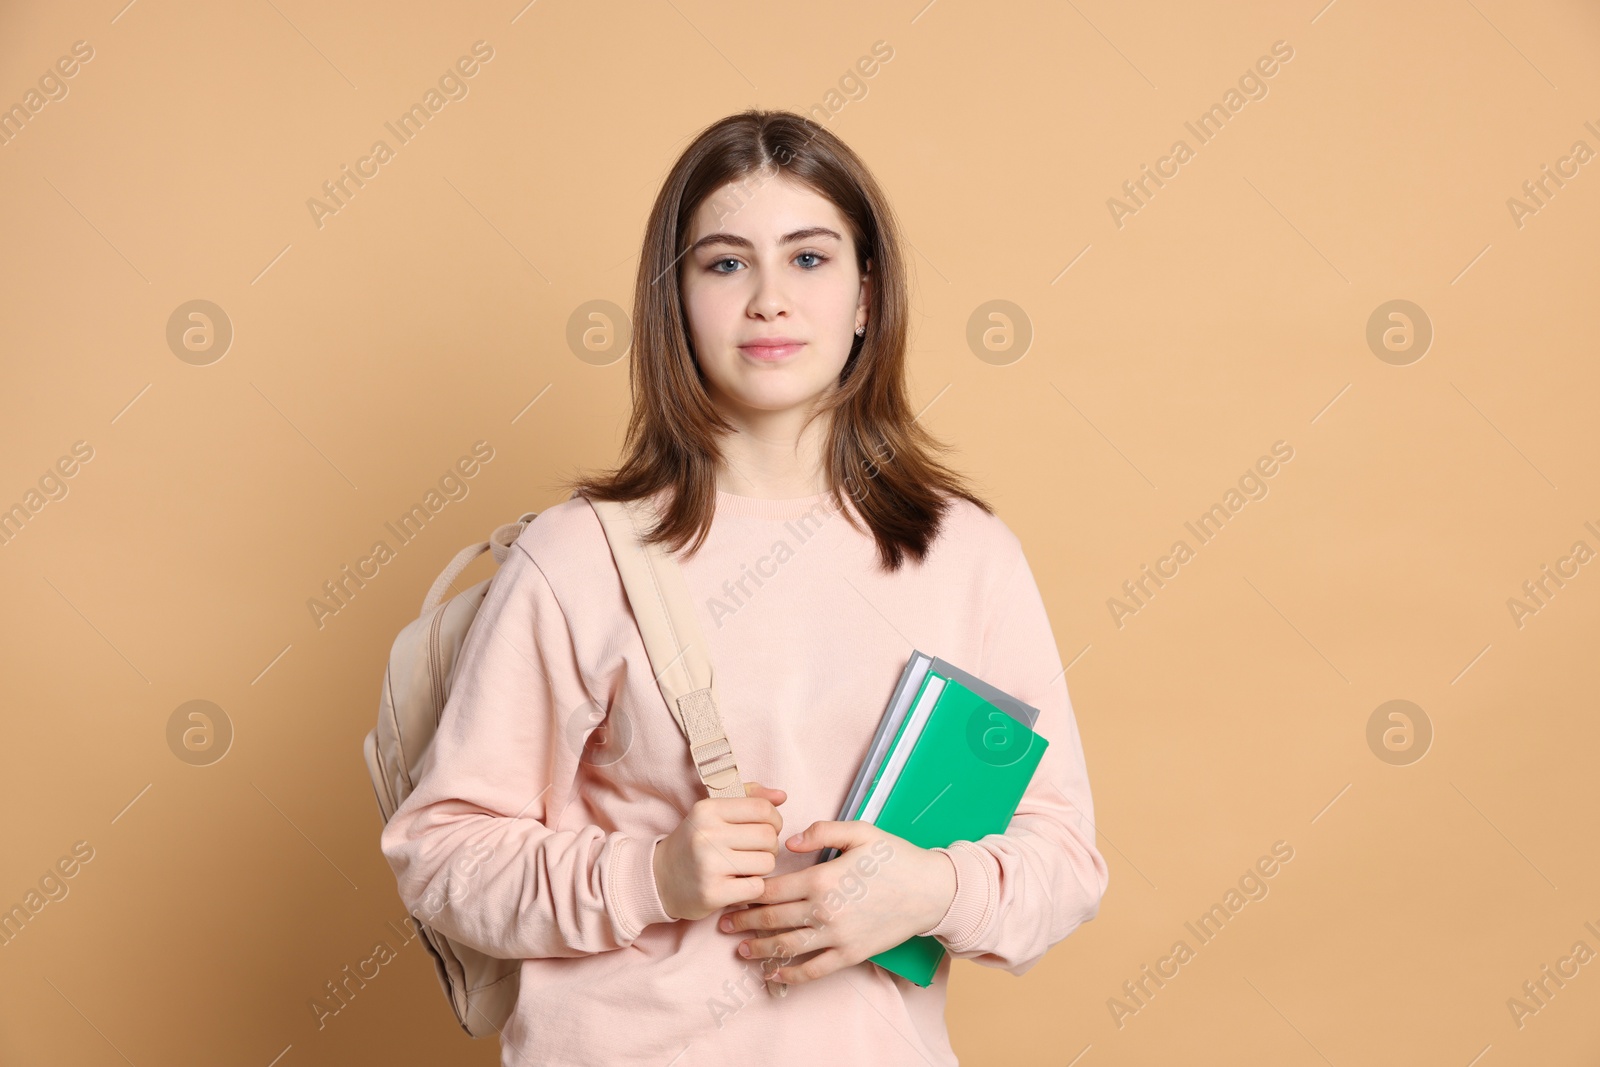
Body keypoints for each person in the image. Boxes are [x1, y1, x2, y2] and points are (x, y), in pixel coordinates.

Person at [379, 108, 1108, 1066]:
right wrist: (648, 877)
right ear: (674, 300)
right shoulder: (577, 557)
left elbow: (1063, 861)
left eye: (809, 259)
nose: (769, 299)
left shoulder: (966, 555)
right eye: (725, 264)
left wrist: (932, 892)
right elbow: (439, 849)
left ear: (865, 298)